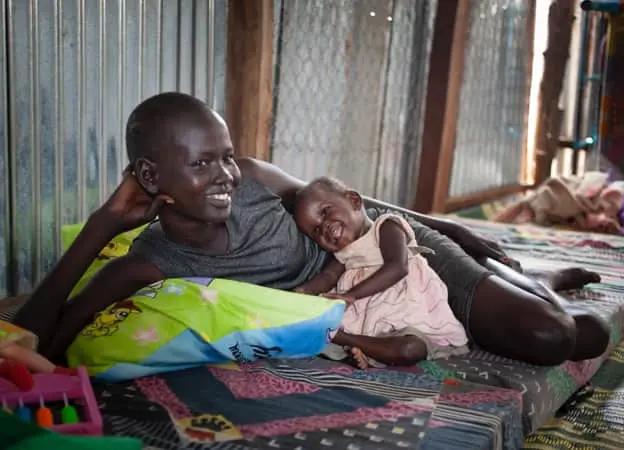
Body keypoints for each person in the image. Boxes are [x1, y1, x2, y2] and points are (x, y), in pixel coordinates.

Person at [12, 92, 609, 367]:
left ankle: (532, 277)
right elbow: (34, 343)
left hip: (405, 259)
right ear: (149, 174)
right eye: (201, 163)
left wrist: (447, 231)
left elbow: (350, 201)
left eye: (226, 155)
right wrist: (103, 223)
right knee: (562, 340)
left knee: (562, 337)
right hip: (371, 309)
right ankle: (525, 280)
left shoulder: (249, 177)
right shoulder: (147, 261)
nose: (225, 175)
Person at [293, 177, 470, 368]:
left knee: (410, 349)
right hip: (368, 323)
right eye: (316, 230)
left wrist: (351, 295)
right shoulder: (343, 254)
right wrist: (303, 292)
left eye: (326, 211)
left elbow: (397, 267)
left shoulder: (386, 226)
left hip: (407, 318)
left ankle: (343, 339)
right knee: (309, 337)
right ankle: (356, 345)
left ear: (354, 200)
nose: (324, 226)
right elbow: (328, 277)